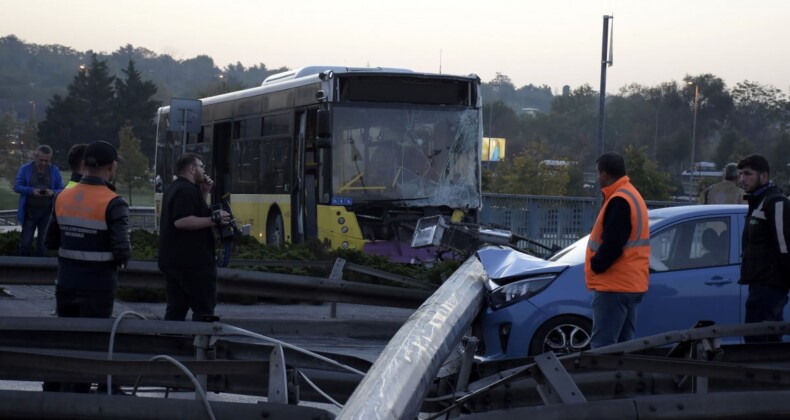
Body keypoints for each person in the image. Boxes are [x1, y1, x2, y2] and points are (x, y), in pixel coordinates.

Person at [44, 140, 130, 393]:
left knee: (67, 339)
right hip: (98, 287)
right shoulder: (114, 202)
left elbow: (50, 241)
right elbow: (122, 251)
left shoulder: (62, 196)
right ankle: (84, 397)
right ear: (111, 168)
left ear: (84, 165)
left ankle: (57, 389)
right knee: (93, 343)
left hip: (67, 282)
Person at [584, 152, 650, 349]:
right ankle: (621, 380)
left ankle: (601, 381)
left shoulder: (619, 199)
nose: (597, 179)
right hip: (632, 282)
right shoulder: (631, 195)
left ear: (604, 174)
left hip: (614, 284)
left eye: (597, 174)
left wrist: (597, 265)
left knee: (603, 347)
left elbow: (613, 242)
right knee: (623, 347)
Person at [158, 153, 229, 322]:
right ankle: (200, 345)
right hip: (192, 264)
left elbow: (195, 212)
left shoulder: (177, 187)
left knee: (176, 308)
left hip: (175, 261)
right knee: (204, 310)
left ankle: (172, 344)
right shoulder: (186, 191)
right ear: (191, 168)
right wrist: (214, 219)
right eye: (201, 166)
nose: (204, 170)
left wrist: (204, 192)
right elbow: (181, 221)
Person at [737, 154, 790, 343]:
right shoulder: (757, 201)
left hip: (769, 286)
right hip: (759, 283)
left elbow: (785, 248)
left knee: (757, 341)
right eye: (741, 174)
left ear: (764, 177)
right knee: (769, 342)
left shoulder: (775, 203)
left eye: (748, 174)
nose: (742, 179)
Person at [13, 145, 64, 256]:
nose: (44, 163)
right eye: (41, 160)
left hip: (47, 213)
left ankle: (41, 270)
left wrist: (53, 192)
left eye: (47, 160)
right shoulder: (25, 169)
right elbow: (17, 186)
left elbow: (61, 188)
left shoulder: (54, 170)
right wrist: (31, 191)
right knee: (26, 243)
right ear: (35, 156)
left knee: (43, 244)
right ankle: (23, 268)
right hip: (29, 213)